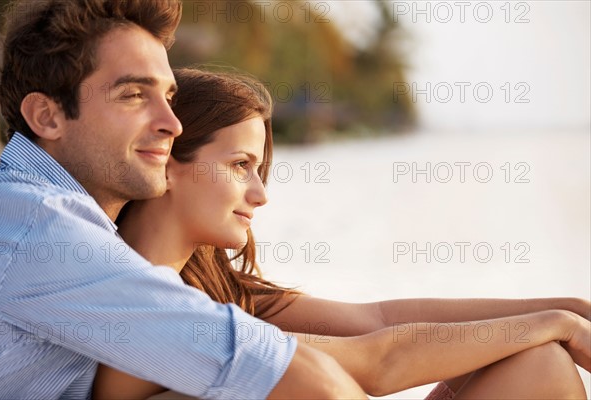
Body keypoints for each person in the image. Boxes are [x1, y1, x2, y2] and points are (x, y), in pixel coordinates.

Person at [93, 67, 591, 399]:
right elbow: (379, 359)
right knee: (539, 353)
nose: (260, 195)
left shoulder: (222, 294)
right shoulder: (140, 313)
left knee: (537, 362)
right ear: (167, 161)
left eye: (259, 170)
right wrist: (557, 323)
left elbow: (376, 319)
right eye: (240, 165)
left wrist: (569, 310)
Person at [0, 1, 367, 399]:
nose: (173, 124)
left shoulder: (30, 216)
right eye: (134, 94)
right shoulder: (39, 230)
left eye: (168, 97)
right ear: (47, 117)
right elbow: (298, 378)